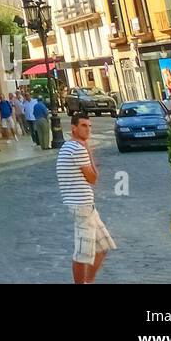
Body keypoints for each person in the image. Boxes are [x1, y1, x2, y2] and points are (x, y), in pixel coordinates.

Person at [57, 113, 115, 284]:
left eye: (89, 126)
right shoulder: (78, 148)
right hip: (81, 205)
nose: (88, 129)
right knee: (83, 252)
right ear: (73, 127)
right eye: (83, 126)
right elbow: (93, 178)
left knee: (103, 246)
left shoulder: (68, 146)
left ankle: (88, 282)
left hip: (85, 205)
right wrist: (88, 149)